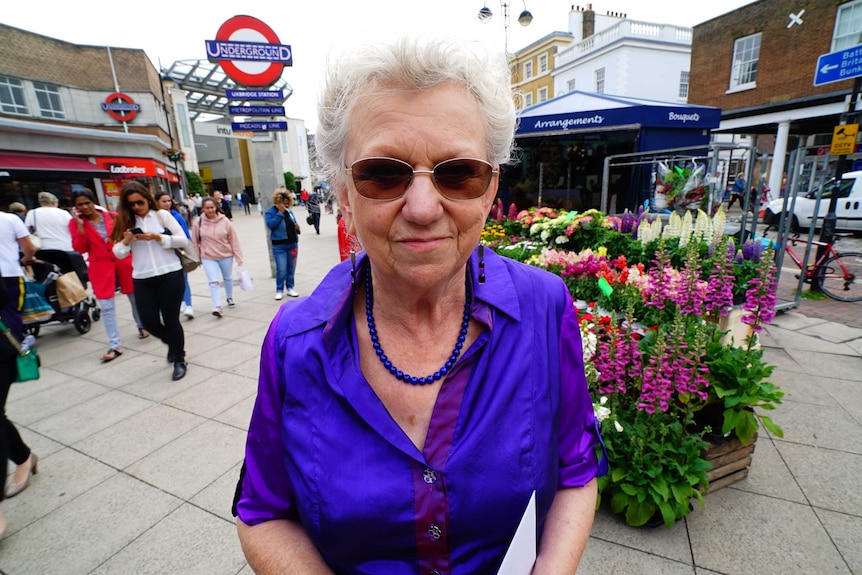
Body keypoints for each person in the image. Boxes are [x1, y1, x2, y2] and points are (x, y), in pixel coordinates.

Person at [234, 37, 605, 574]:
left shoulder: (544, 307)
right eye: (384, 173)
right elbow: (264, 511)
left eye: (458, 173)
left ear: (490, 188)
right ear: (342, 190)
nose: (425, 208)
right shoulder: (295, 341)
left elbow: (576, 468)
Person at [111, 182, 190, 381]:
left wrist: (159, 237)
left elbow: (183, 240)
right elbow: (117, 253)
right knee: (149, 321)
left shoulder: (161, 216)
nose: (137, 207)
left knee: (171, 320)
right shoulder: (125, 221)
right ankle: (173, 344)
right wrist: (128, 240)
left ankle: (179, 359)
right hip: (143, 277)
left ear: (148, 199)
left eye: (140, 202)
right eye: (131, 204)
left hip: (170, 273)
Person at [69, 188, 147, 362]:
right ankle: (115, 344)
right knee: (106, 306)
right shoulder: (75, 223)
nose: (84, 207)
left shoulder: (111, 216)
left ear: (93, 201)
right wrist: (80, 226)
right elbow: (80, 248)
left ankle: (141, 326)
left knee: (134, 297)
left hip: (122, 261)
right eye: (79, 205)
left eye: (87, 203)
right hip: (100, 265)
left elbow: (125, 236)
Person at [0, 211, 38, 540]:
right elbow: (28, 250)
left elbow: (28, 248)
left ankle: (23, 458)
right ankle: (23, 456)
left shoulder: (9, 220)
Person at [191, 197, 243, 317]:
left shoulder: (225, 221)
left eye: (212, 207)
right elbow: (195, 241)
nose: (210, 210)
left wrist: (238, 256)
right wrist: (197, 257)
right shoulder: (198, 222)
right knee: (213, 281)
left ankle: (229, 297)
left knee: (228, 278)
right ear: (203, 208)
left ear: (216, 207)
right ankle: (217, 305)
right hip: (208, 256)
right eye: (207, 208)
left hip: (225, 255)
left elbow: (233, 240)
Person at [155, 191, 194, 320]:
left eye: (169, 201)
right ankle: (177, 304)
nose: (167, 204)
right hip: (162, 256)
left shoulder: (176, 216)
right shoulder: (153, 218)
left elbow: (185, 237)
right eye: (164, 201)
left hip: (179, 252)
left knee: (183, 279)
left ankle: (188, 305)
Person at [264, 187, 300, 300]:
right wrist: (280, 213)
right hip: (279, 245)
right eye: (282, 203)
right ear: (277, 202)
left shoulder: (289, 211)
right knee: (281, 268)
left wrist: (297, 229)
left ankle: (290, 287)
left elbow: (293, 224)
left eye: (286, 203)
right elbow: (271, 225)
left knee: (291, 268)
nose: (285, 206)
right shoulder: (271, 212)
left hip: (292, 243)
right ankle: (279, 289)